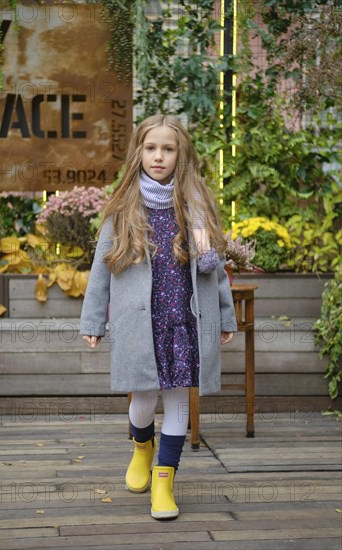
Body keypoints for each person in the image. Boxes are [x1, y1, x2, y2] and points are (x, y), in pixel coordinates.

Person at [80, 114, 238, 520]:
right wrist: (94, 320)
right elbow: (101, 268)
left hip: (183, 322)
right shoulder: (123, 209)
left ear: (180, 155)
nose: (159, 156)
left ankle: (164, 483)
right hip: (141, 323)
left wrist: (225, 315)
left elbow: (215, 268)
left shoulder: (196, 208)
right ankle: (141, 446)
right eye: (151, 148)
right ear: (139, 152)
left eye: (168, 149)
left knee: (179, 402)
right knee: (143, 403)